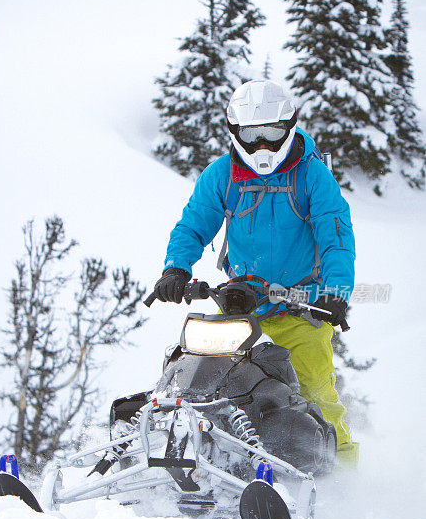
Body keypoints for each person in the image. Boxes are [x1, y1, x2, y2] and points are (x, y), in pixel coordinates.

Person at [153, 79, 358, 466]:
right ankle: (192, 457)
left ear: (289, 126)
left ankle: (342, 473)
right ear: (235, 133)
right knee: (201, 376)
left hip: (303, 308)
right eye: (251, 135)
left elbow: (336, 237)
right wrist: (176, 268)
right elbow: (194, 223)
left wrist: (335, 293)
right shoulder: (222, 175)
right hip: (239, 305)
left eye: (271, 133)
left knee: (315, 390)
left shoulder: (313, 176)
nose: (261, 146)